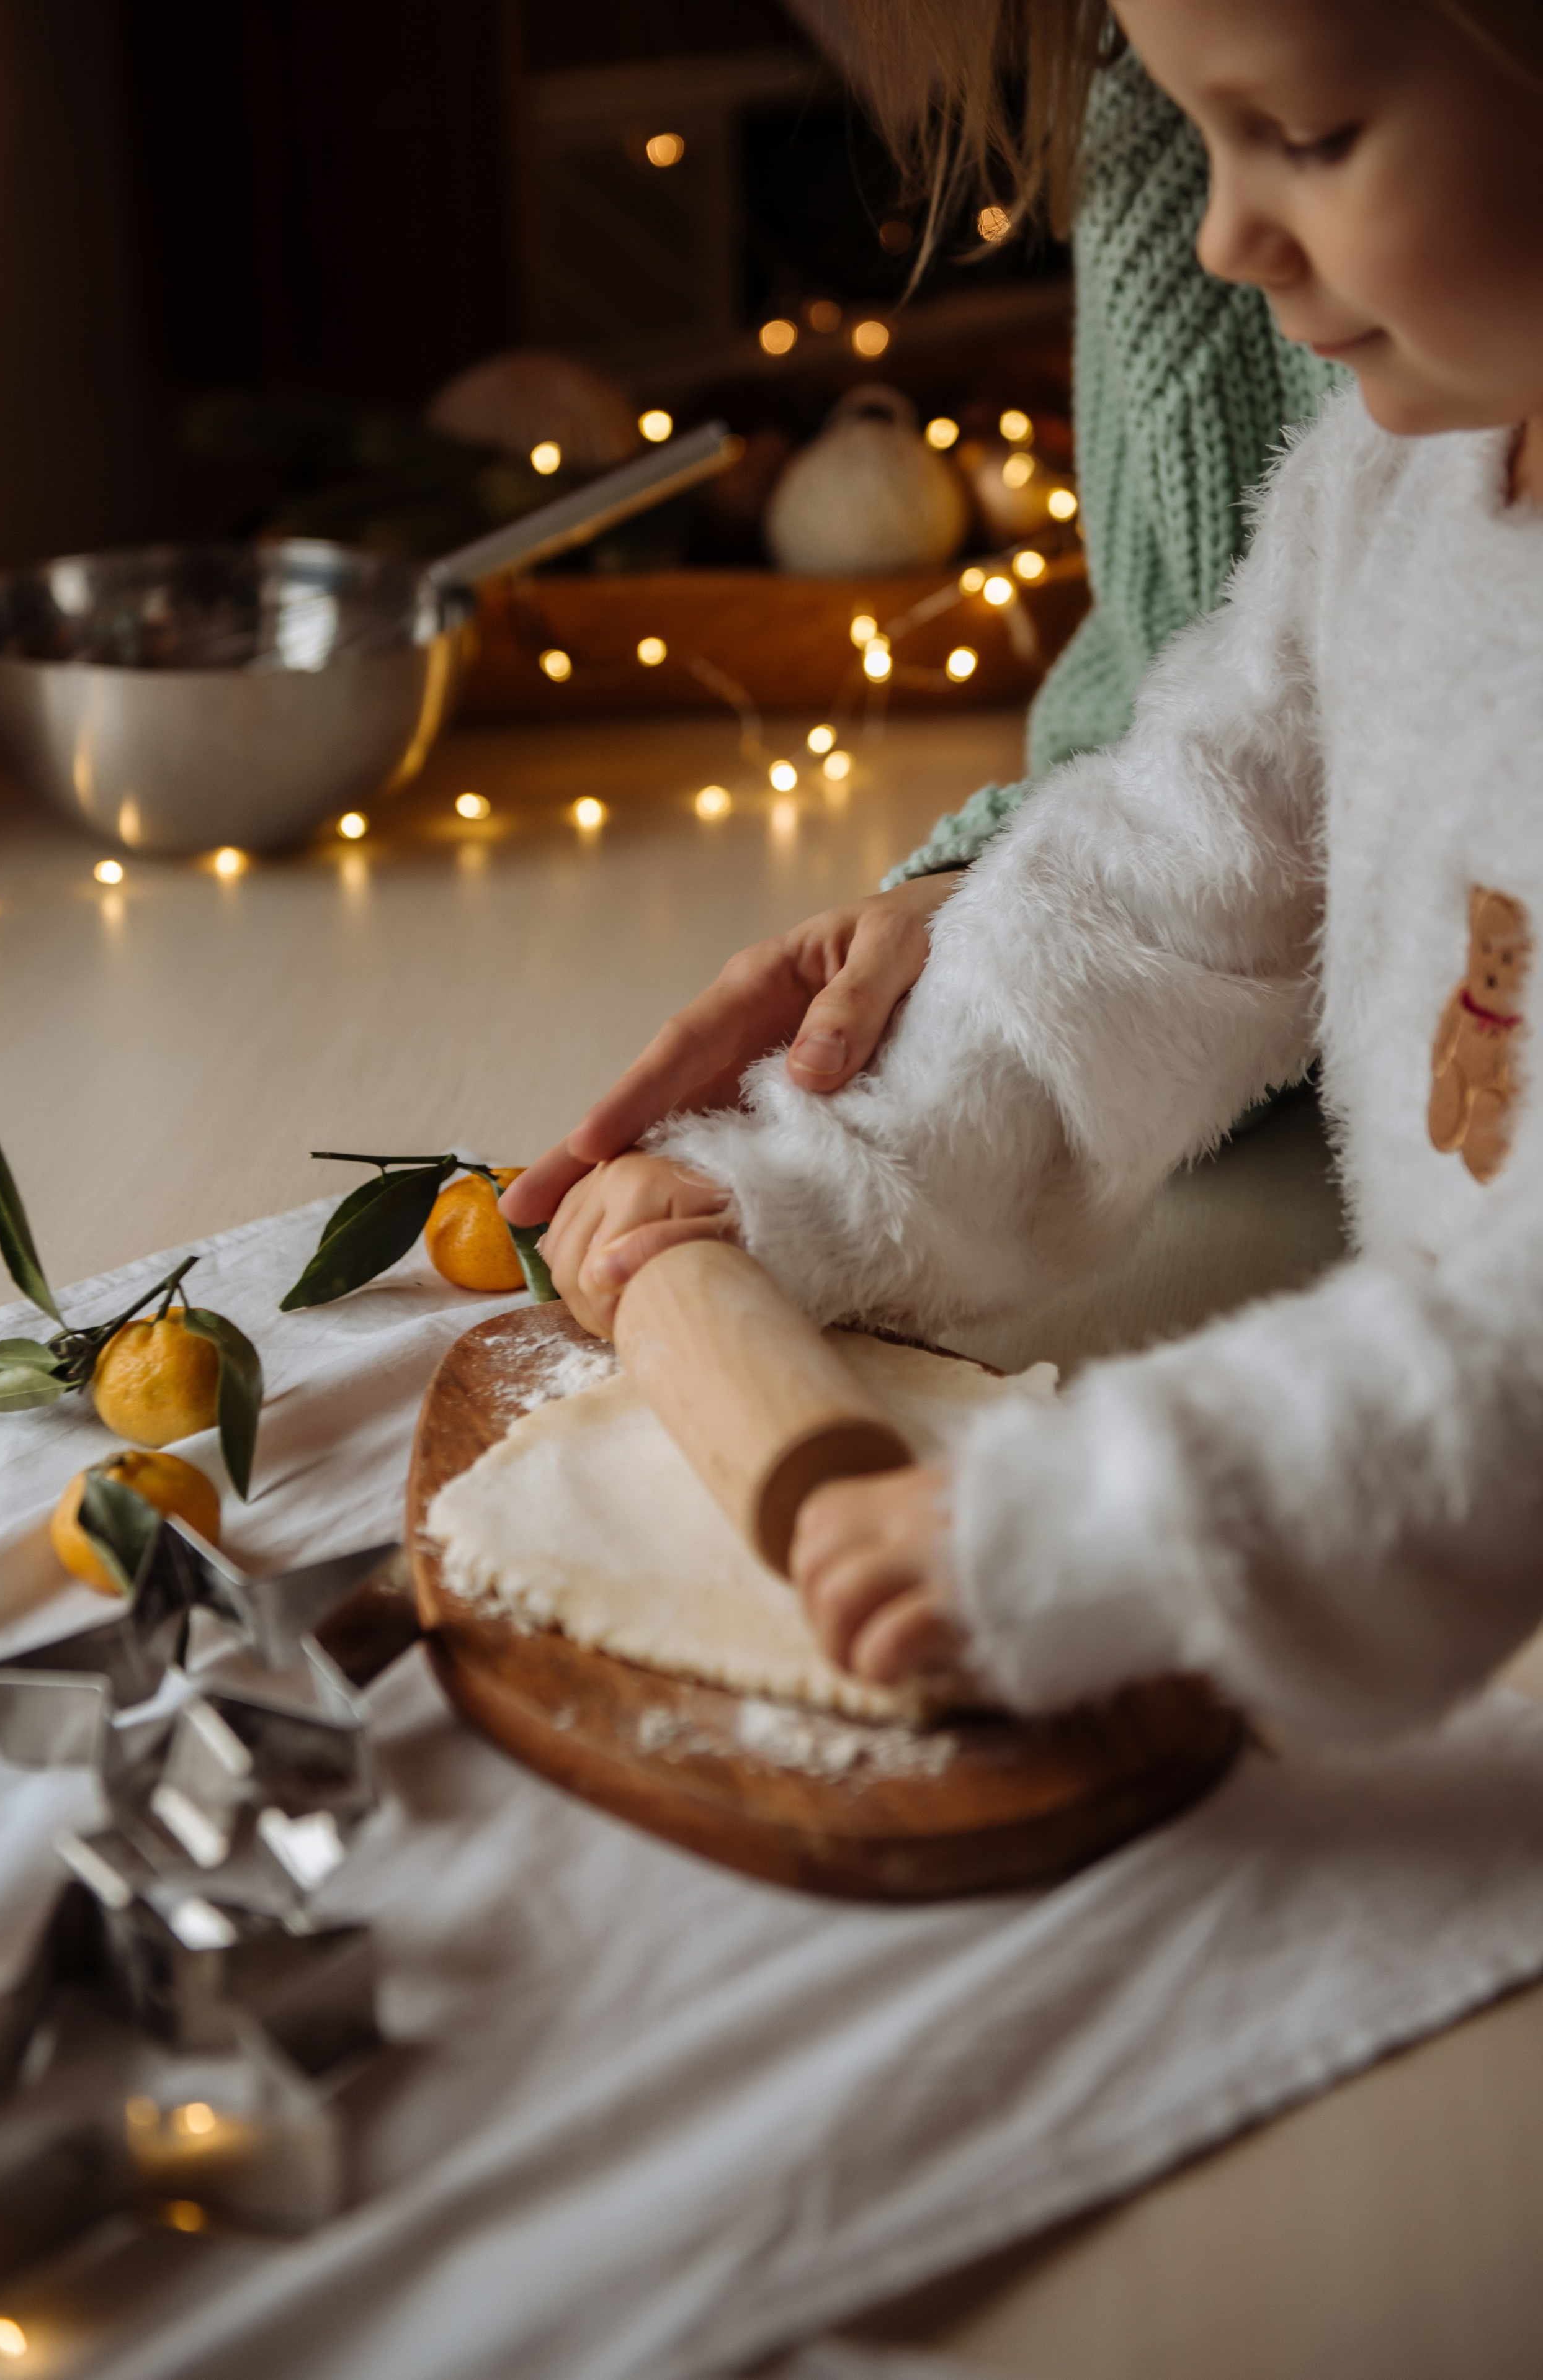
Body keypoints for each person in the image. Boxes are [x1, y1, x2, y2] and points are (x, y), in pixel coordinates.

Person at [508, 0, 1543, 1745]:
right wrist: (807, 1189)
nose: (1224, 237)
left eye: (1304, 136)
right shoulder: (1389, 482)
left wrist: (1093, 1526)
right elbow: (1148, 890)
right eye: (1201, 138)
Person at [504, 6, 1343, 1229]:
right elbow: (1226, 754)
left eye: (1316, 135)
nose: (1227, 239)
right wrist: (981, 910)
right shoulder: (1150, 102)